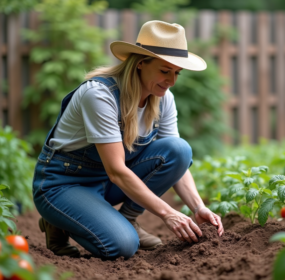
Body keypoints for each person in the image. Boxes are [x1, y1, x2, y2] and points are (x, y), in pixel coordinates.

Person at [32, 20, 224, 259]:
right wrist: (167, 213)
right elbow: (117, 171)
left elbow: (178, 159)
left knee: (179, 149)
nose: (172, 81)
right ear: (141, 63)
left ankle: (127, 219)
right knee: (122, 246)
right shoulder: (99, 95)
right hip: (64, 184)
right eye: (165, 71)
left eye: (177, 73)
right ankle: (58, 220)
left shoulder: (162, 98)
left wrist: (198, 207)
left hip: (106, 183)